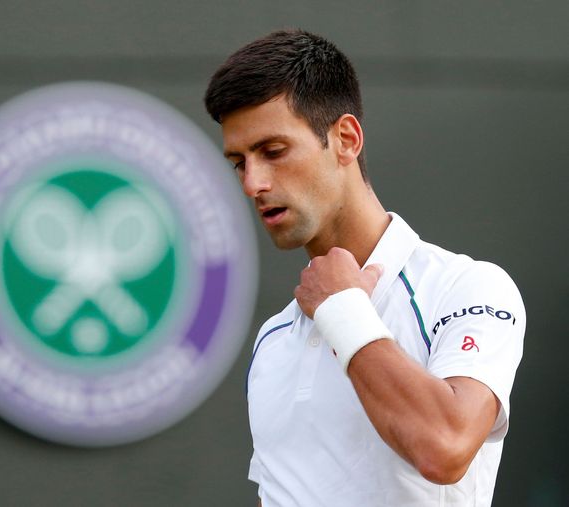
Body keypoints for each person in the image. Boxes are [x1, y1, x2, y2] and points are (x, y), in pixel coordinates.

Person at [204, 29, 525, 507]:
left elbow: (445, 447)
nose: (253, 183)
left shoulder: (468, 287)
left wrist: (343, 310)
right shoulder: (273, 339)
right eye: (238, 162)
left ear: (346, 139)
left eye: (273, 152)